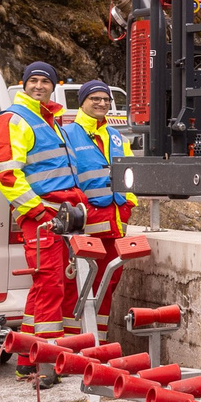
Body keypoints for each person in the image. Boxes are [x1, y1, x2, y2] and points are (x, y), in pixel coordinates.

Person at [0, 61, 82, 345]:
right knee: (50, 284)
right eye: (34, 80)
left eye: (45, 81)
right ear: (23, 84)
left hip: (60, 218)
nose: (39, 86)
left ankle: (29, 357)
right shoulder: (14, 119)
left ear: (53, 88)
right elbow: (6, 174)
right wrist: (38, 211)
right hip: (43, 218)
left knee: (54, 284)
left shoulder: (50, 121)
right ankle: (46, 361)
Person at [59, 80, 137, 324]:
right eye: (95, 98)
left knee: (108, 284)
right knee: (77, 286)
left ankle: (98, 347)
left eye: (106, 99)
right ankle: (73, 350)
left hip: (115, 225)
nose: (102, 103)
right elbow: (63, 176)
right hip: (84, 226)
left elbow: (131, 172)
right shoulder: (67, 133)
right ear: (82, 102)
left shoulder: (116, 136)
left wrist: (129, 204)